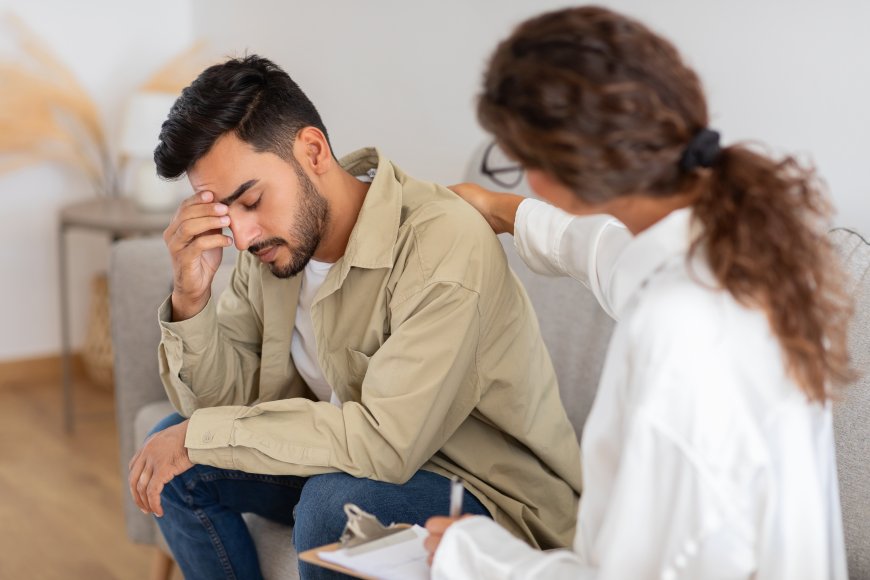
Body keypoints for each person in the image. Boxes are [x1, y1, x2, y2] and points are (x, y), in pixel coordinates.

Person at [425, 6, 852, 579]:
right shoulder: (745, 253)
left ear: (552, 170)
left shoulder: (679, 330)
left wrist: (470, 554)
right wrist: (503, 210)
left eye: (518, 158)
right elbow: (609, 255)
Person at [126, 55, 583, 580]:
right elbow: (221, 408)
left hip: (485, 494)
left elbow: (385, 444)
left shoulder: (441, 244)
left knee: (332, 504)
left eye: (251, 200)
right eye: (227, 216)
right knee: (175, 461)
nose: (244, 238)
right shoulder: (273, 252)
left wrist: (200, 435)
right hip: (350, 463)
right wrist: (191, 296)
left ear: (313, 150)